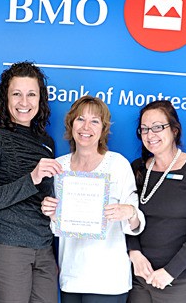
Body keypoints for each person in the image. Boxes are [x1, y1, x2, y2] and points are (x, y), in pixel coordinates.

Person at [41, 95, 146, 303]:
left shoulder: (118, 164)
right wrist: (52, 214)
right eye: (80, 119)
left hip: (107, 280)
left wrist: (129, 212)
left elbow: (135, 223)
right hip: (70, 276)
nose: (86, 126)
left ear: (103, 129)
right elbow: (56, 228)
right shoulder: (58, 167)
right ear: (71, 124)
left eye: (94, 121)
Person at [0, 61, 62, 303]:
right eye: (17, 94)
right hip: (6, 246)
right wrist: (32, 178)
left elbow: (45, 198)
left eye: (31, 94)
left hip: (44, 248)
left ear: (40, 99)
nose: (24, 102)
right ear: (6, 98)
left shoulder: (47, 143)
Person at [126, 100, 186, 303]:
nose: (150, 135)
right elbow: (126, 214)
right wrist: (134, 253)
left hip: (179, 280)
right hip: (140, 277)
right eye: (144, 129)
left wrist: (170, 272)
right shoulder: (137, 168)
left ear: (175, 130)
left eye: (158, 127)